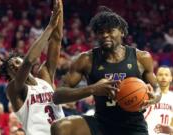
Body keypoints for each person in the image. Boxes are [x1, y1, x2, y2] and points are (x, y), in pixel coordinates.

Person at [51, 6, 162, 135]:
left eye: (110, 31)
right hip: (101, 123)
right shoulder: (86, 60)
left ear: (122, 32)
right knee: (61, 127)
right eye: (100, 32)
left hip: (133, 125)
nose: (105, 35)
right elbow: (57, 96)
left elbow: (156, 88)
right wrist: (92, 89)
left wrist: (155, 97)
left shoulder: (141, 57)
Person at [0, 0, 65, 135]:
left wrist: (59, 9)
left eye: (17, 62)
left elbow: (56, 39)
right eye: (11, 68)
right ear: (10, 76)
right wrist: (50, 26)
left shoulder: (45, 76)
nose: (15, 66)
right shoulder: (13, 89)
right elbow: (29, 61)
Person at [145, 66, 173, 135]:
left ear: (171, 78)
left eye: (166, 75)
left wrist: (171, 130)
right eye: (160, 75)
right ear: (156, 78)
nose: (163, 77)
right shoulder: (148, 94)